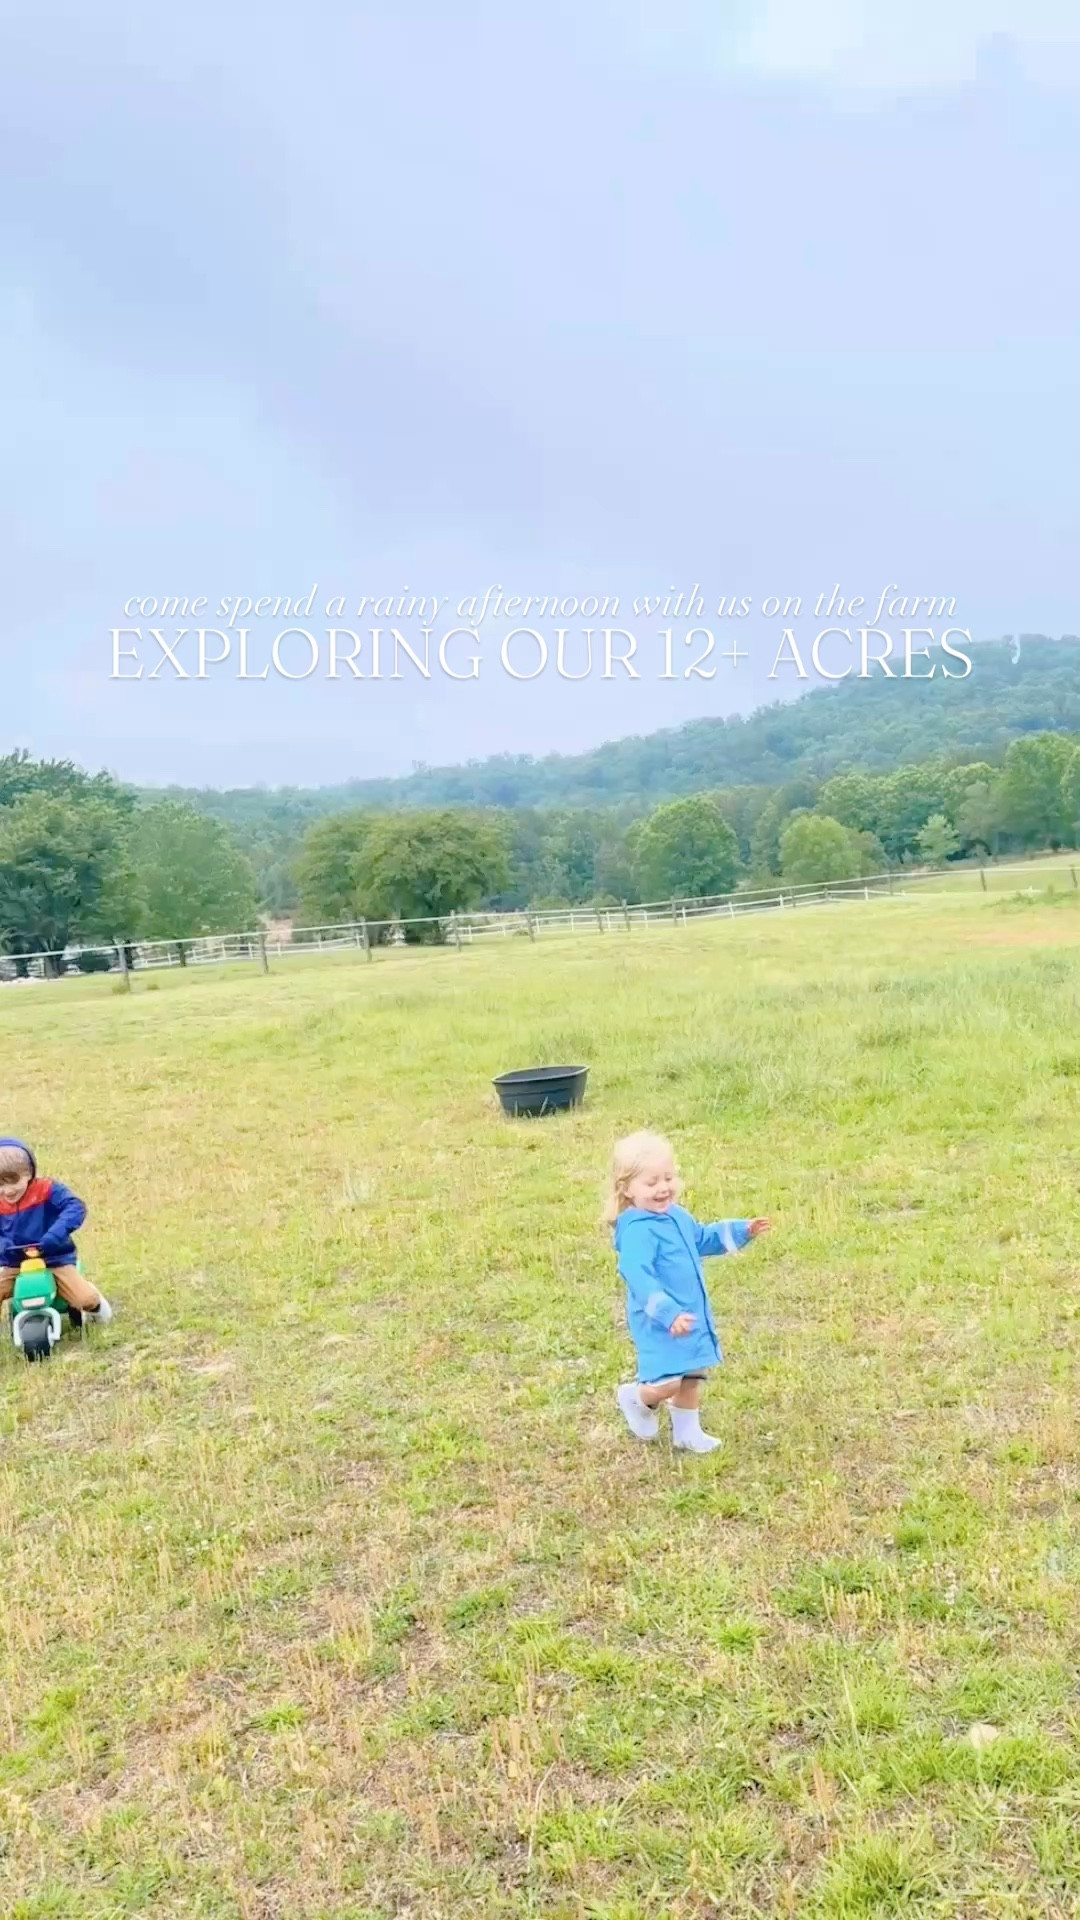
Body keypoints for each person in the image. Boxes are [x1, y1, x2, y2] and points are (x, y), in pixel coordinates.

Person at [605, 1130, 768, 1453]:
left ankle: (687, 1432)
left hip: (689, 1312)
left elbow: (703, 1238)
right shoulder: (637, 1230)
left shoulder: (677, 1217)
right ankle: (636, 1397)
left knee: (692, 1375)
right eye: (651, 1183)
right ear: (627, 1189)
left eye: (668, 1178)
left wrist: (741, 1231)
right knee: (667, 1381)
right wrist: (667, 1313)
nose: (663, 1188)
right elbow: (638, 1275)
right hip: (659, 1319)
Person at [0, 1137, 112, 1324]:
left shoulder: (46, 1190)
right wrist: (3, 1245)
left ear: (28, 1173)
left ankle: (97, 1306)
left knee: (85, 1299)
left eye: (13, 1181)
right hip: (14, 1262)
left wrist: (54, 1235)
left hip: (54, 1258)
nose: (7, 1191)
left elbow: (74, 1207)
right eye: (0, 1185)